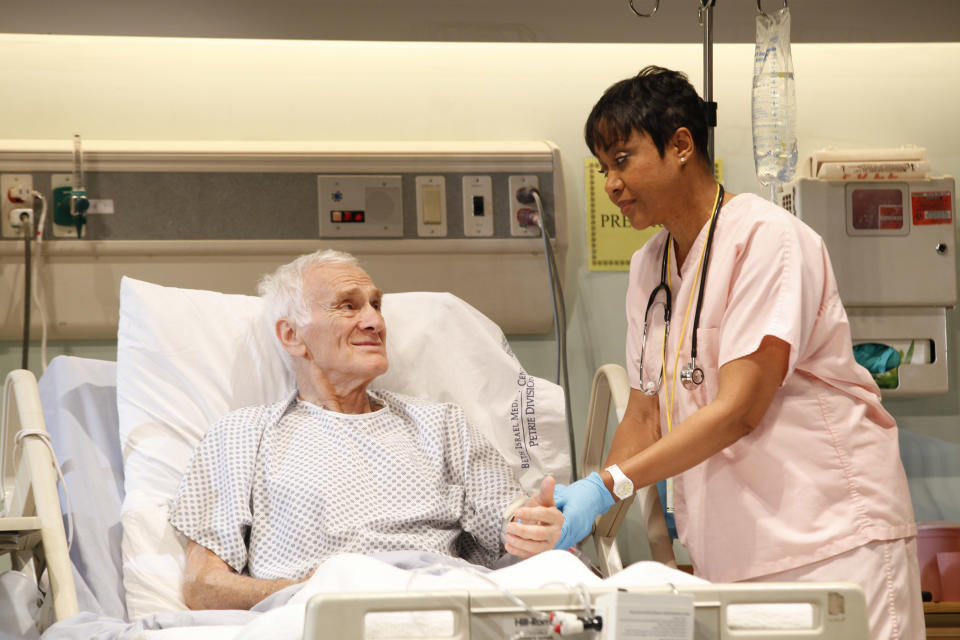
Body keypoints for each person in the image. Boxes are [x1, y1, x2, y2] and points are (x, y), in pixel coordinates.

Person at [554, 66, 923, 639]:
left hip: (830, 542)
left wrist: (609, 485)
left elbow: (739, 409)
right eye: (604, 168)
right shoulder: (648, 266)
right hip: (735, 554)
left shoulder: (767, 240)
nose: (610, 184)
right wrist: (587, 507)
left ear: (681, 144)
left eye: (622, 160)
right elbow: (646, 412)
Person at [168, 249, 563, 610]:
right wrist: (314, 592)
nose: (374, 321)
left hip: (443, 606)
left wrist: (533, 526)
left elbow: (510, 517)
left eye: (376, 305)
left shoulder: (442, 424)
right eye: (348, 307)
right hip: (319, 617)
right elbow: (203, 586)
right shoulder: (243, 435)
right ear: (292, 336)